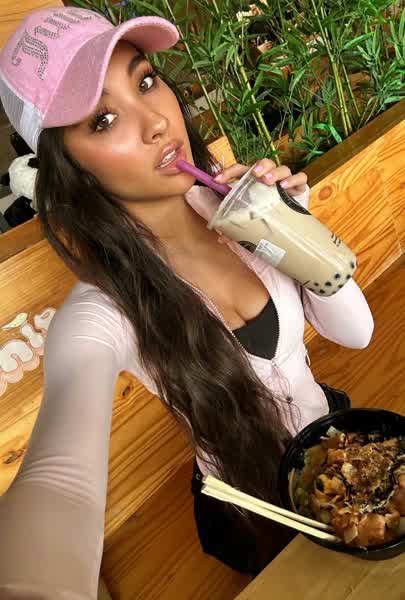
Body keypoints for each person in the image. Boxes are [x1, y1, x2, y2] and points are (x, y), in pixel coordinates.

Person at [0, 6, 374, 598]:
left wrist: (295, 233)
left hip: (335, 450)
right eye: (103, 119)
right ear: (71, 169)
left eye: (146, 80)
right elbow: (59, 486)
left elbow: (356, 334)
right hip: (255, 506)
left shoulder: (242, 213)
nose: (155, 122)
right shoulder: (103, 310)